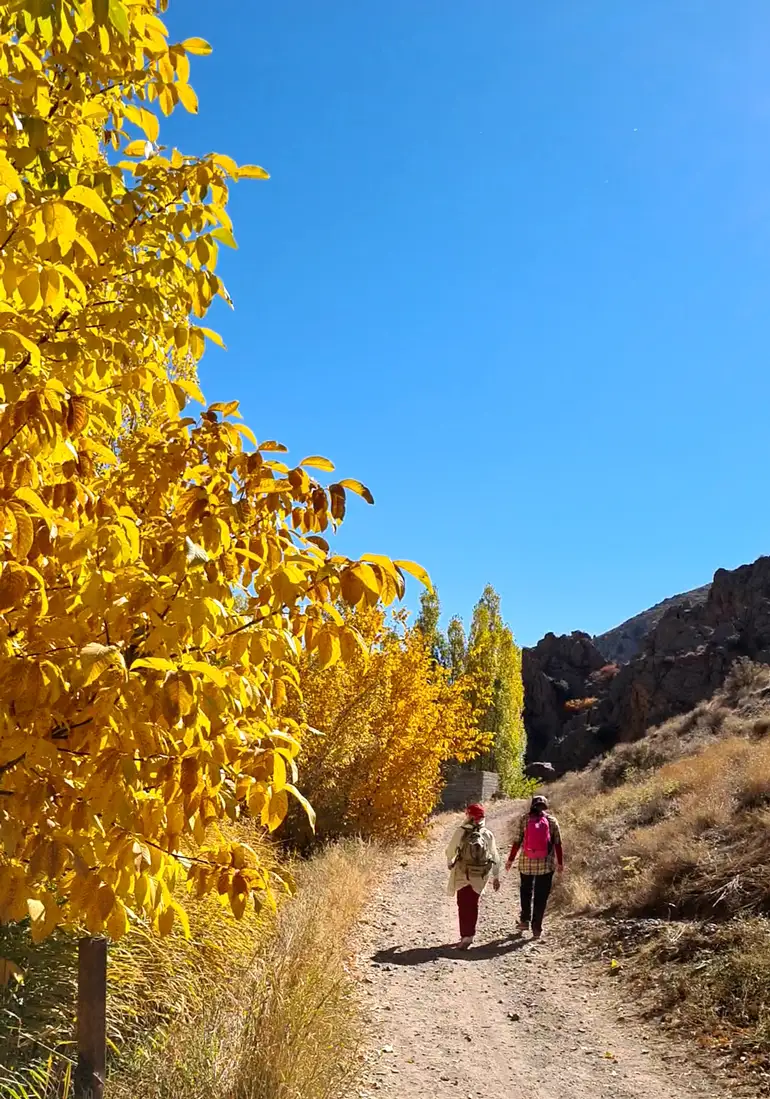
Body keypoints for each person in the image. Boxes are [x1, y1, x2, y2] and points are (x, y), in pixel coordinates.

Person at [505, 794, 563, 941]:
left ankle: (525, 920)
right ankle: (537, 928)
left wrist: (510, 860)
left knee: (526, 891)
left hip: (526, 863)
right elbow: (557, 843)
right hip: (545, 864)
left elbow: (517, 842)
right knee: (541, 896)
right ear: (545, 807)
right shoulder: (551, 821)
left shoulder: (524, 819)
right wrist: (560, 863)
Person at [446, 803, 502, 949]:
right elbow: (495, 855)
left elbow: (450, 850)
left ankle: (465, 935)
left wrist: (450, 861)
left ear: (469, 816)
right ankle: (470, 934)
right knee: (473, 903)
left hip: (463, 872)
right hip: (480, 875)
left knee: (462, 903)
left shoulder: (461, 831)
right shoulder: (487, 834)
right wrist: (496, 876)